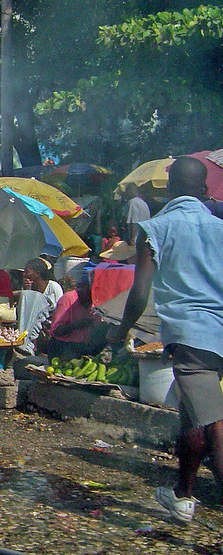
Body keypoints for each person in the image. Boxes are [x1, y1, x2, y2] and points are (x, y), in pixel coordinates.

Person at [110, 156, 223, 524]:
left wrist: (121, 329)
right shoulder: (220, 226)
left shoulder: (156, 228)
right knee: (192, 416)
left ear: (169, 187)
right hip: (218, 333)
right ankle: (183, 495)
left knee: (214, 421)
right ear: (205, 190)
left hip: (192, 335)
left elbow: (140, 292)